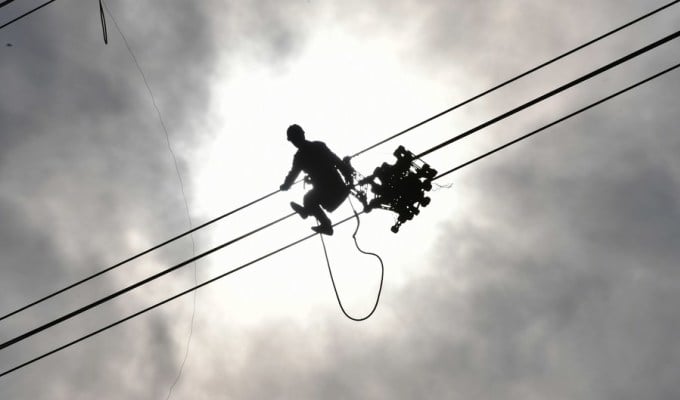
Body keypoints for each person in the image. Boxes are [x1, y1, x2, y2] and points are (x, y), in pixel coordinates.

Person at [280, 124, 354, 235]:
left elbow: (293, 174)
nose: (295, 143)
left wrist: (286, 185)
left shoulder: (301, 156)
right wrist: (347, 174)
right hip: (335, 189)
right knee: (309, 199)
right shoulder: (317, 147)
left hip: (332, 190)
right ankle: (310, 214)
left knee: (309, 199)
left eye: (294, 140)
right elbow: (336, 161)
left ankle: (320, 221)